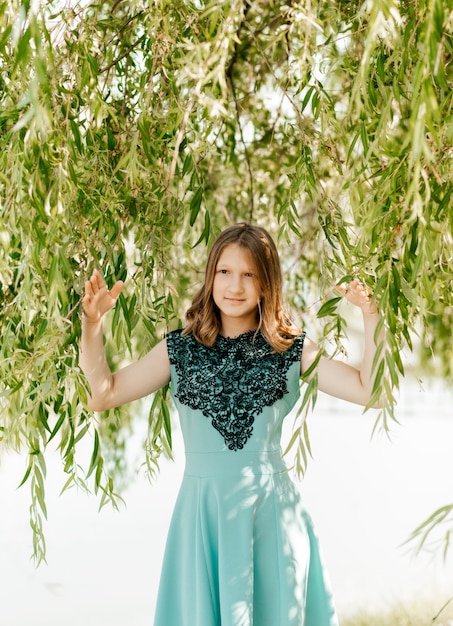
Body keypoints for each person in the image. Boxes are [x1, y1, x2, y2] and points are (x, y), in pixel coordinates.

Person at [80, 222, 382, 626]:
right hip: (203, 516)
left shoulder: (290, 350)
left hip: (270, 515)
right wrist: (92, 327)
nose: (234, 286)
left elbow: (370, 391)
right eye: (224, 272)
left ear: (266, 284)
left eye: (248, 274)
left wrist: (371, 313)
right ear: (211, 277)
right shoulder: (179, 350)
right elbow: (103, 394)